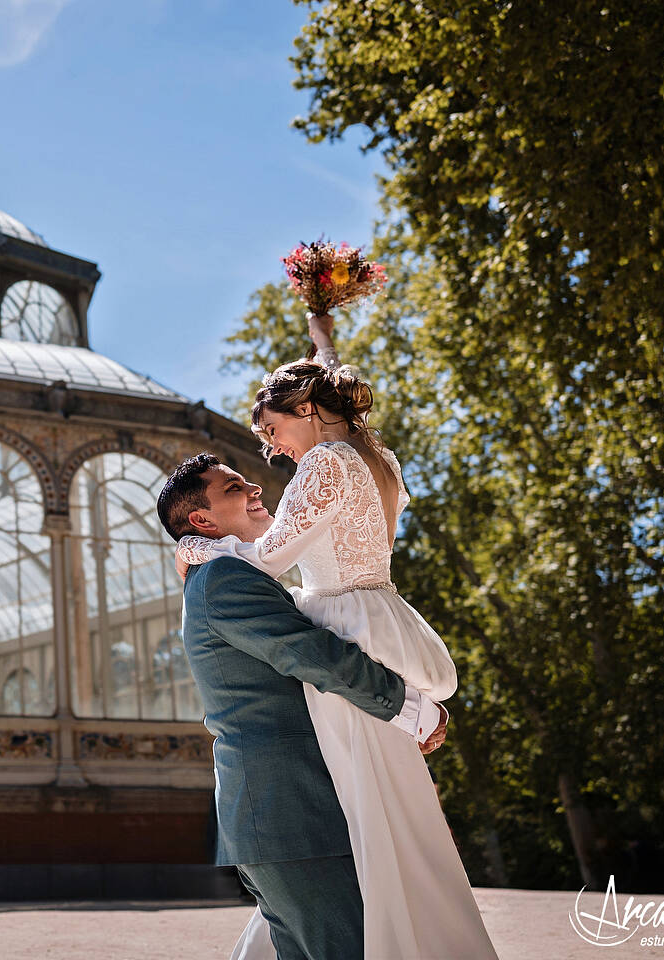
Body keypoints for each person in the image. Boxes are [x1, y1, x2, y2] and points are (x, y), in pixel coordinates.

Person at [173, 313, 498, 959]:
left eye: (272, 430)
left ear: (306, 408)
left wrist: (193, 547)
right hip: (377, 616)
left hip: (345, 632)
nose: (272, 450)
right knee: (378, 816)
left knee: (366, 816)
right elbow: (332, 405)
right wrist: (322, 341)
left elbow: (264, 557)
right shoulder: (376, 454)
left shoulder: (324, 461)